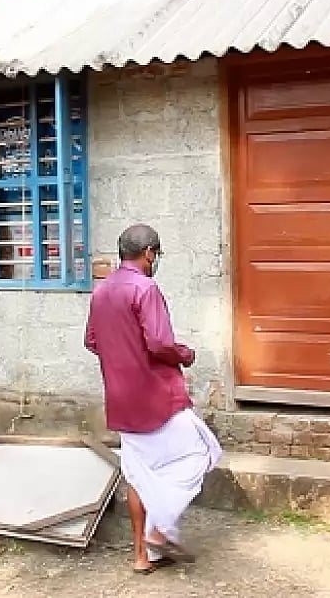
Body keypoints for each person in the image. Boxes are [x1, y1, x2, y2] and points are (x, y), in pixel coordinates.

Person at [84, 223, 222, 575]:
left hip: (121, 398)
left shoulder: (101, 292)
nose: (155, 260)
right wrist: (186, 354)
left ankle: (141, 557)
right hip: (157, 396)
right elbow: (159, 343)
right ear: (149, 253)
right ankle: (160, 530)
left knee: (139, 474)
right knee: (202, 452)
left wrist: (120, 356)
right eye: (156, 254)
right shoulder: (145, 289)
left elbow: (92, 341)